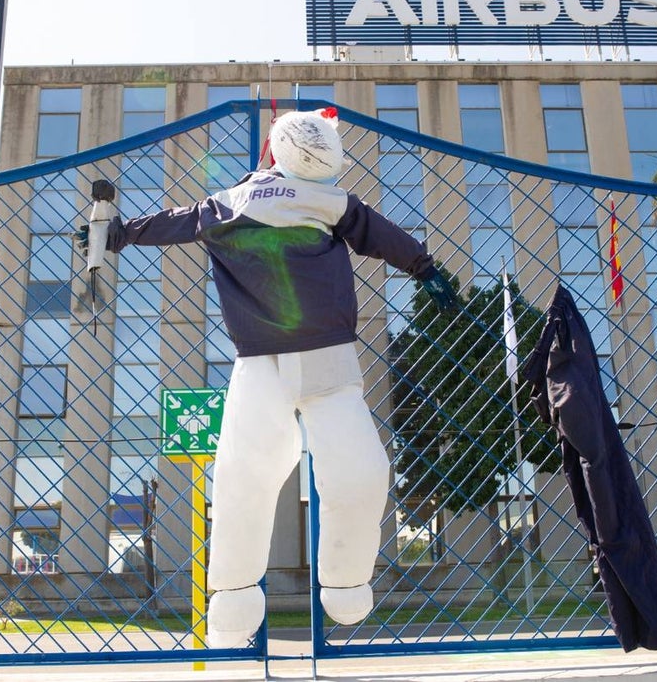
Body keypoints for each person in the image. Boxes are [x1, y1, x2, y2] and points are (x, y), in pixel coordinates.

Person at [82, 107, 456, 647]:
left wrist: (117, 234)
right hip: (297, 356)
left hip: (278, 356)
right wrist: (424, 266)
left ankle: (241, 597)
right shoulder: (314, 201)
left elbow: (173, 221)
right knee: (340, 474)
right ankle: (326, 585)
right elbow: (378, 232)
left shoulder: (232, 204)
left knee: (253, 475)